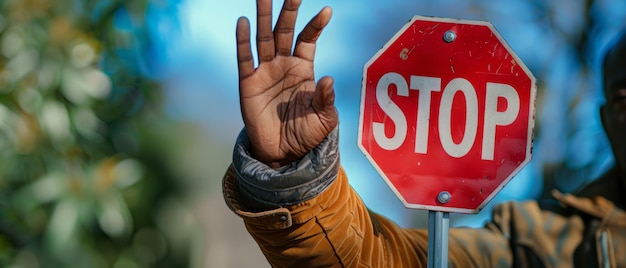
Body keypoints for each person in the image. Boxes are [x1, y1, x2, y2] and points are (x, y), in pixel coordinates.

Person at [222, 0, 626, 266]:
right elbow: (387, 259)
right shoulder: (542, 242)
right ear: (607, 121)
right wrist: (295, 172)